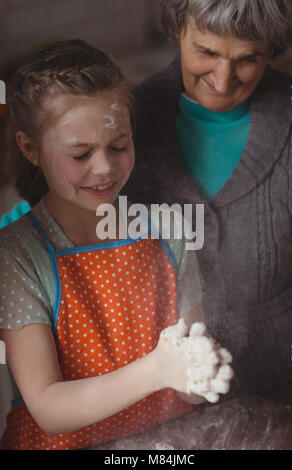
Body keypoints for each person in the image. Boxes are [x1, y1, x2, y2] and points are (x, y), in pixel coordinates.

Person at [0, 39, 233, 450]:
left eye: (118, 146)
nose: (104, 167)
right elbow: (49, 408)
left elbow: (189, 384)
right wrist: (158, 370)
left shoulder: (168, 232)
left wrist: (201, 371)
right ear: (30, 148)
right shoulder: (16, 255)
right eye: (80, 154)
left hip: (171, 443)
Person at [126, 0, 292, 397]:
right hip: (159, 403)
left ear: (271, 48)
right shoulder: (128, 120)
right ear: (176, 31)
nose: (222, 80)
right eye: (206, 52)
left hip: (285, 391)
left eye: (247, 59)